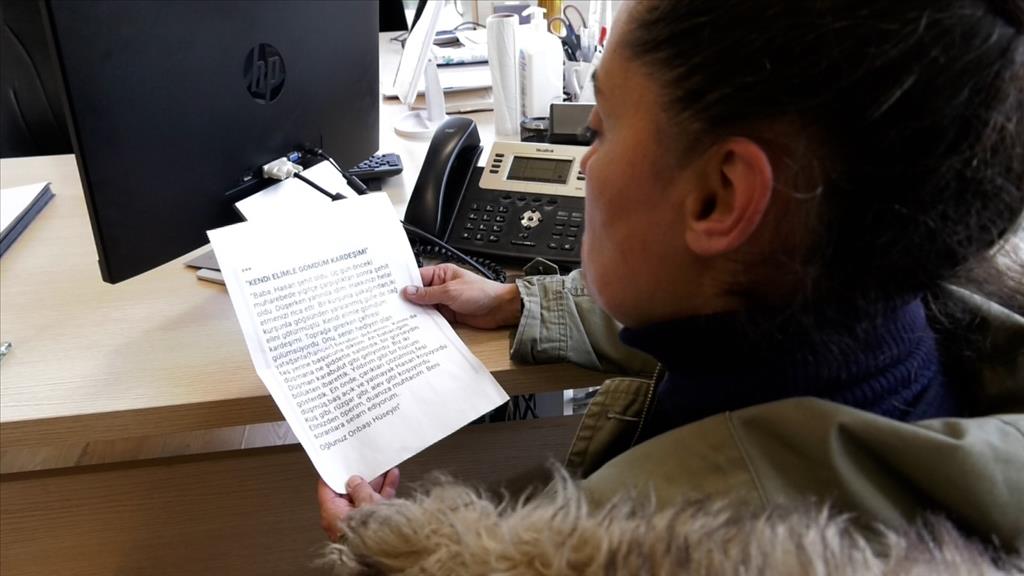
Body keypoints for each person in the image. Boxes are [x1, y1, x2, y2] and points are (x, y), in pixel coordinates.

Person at [318, 0, 1024, 570]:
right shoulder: (886, 320)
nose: (584, 168)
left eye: (600, 130)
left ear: (720, 198)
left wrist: (389, 555)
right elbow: (743, 320)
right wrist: (519, 299)